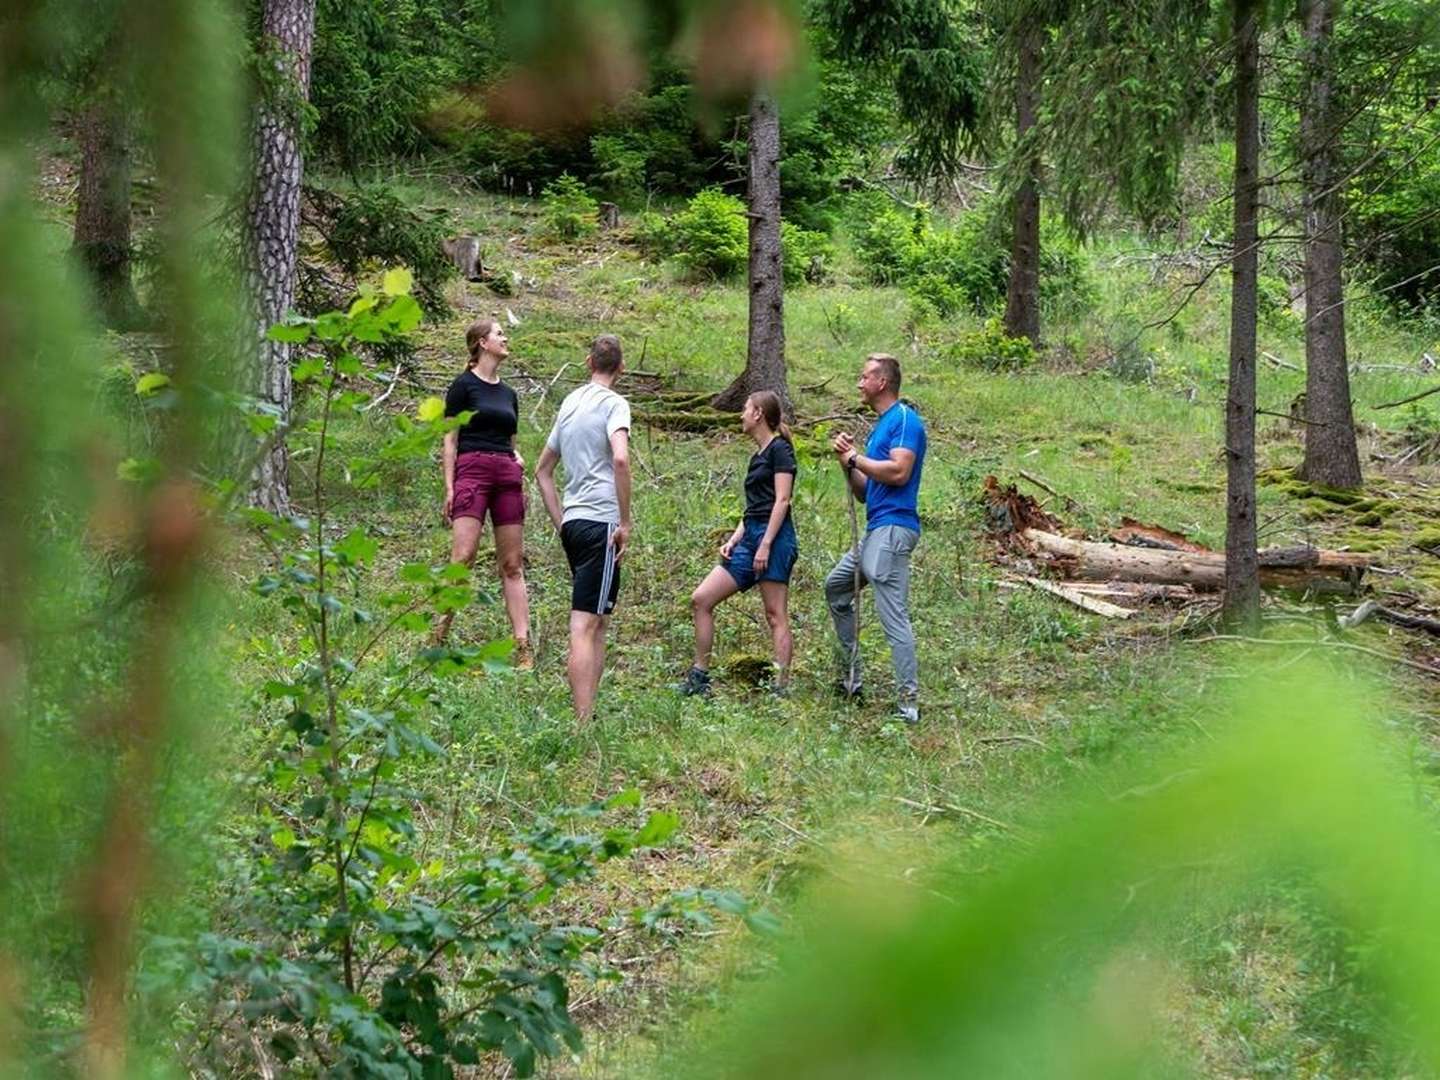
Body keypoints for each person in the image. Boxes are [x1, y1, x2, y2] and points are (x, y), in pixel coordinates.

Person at [534, 334, 633, 719]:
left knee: (598, 620)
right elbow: (621, 460)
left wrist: (562, 522)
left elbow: (543, 471)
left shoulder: (570, 403)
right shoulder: (615, 404)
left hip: (575, 521)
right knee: (584, 624)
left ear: (589, 362)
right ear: (621, 368)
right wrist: (623, 521)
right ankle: (582, 721)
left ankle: (588, 710)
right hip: (601, 522)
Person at [826, 353, 927, 724]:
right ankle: (852, 677)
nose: (859, 383)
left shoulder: (903, 420)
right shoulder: (881, 426)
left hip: (893, 530)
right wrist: (847, 462)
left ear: (882, 382)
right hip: (875, 530)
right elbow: (865, 492)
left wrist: (856, 458)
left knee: (893, 615)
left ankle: (908, 705)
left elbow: (899, 472)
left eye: (864, 376)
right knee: (837, 588)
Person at [680, 390, 798, 698]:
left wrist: (766, 544)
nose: (741, 414)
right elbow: (754, 508)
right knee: (702, 599)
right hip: (751, 536)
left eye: (745, 409)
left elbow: (782, 500)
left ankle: (780, 688)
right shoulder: (756, 456)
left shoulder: (780, 450)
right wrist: (734, 540)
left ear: (758, 413)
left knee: (775, 614)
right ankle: (699, 677)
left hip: (775, 537)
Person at [436, 317, 532, 669]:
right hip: (472, 469)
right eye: (499, 334)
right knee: (463, 556)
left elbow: (511, 440)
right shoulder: (462, 386)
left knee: (512, 564)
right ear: (481, 343)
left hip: (506, 472)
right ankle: (439, 633)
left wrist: (516, 457)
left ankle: (523, 646)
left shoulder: (509, 393)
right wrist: (449, 485)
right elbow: (450, 439)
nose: (506, 339)